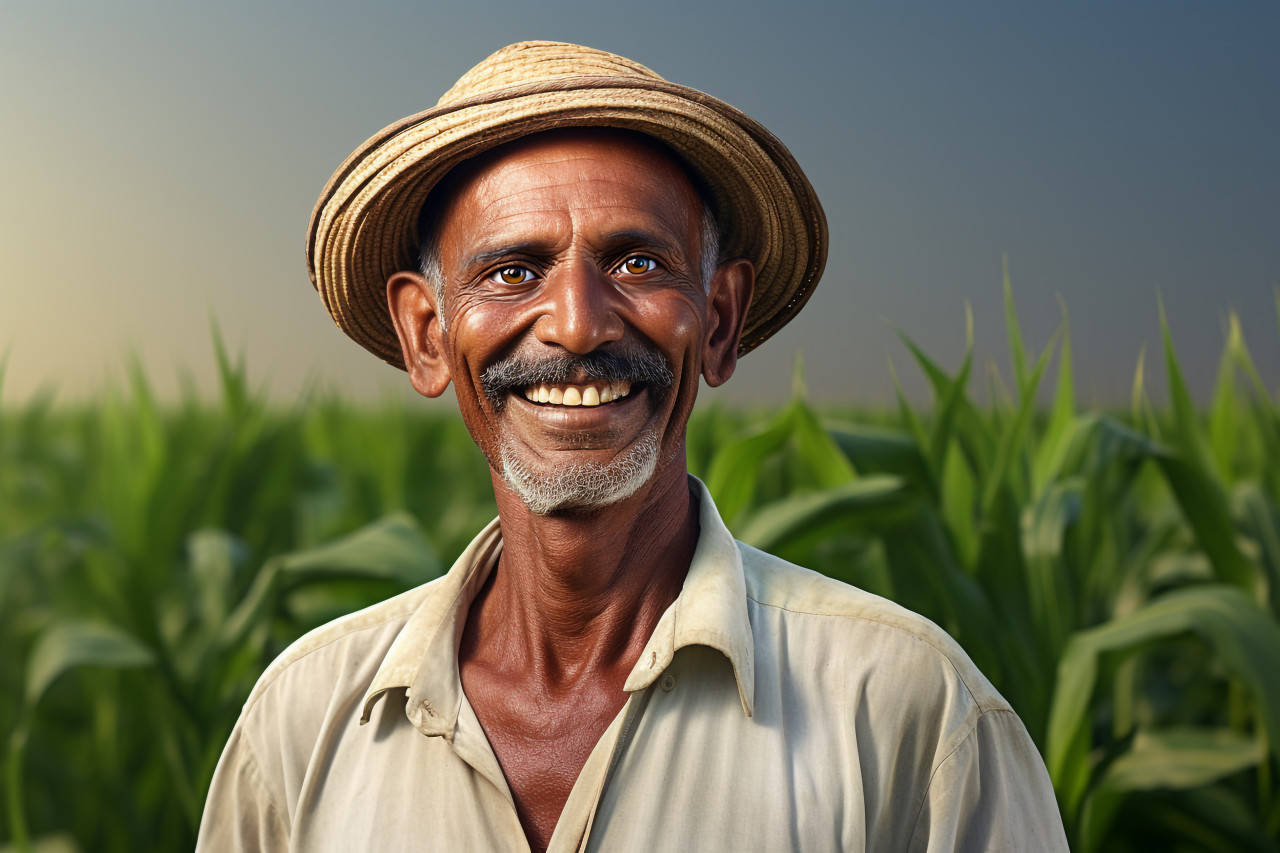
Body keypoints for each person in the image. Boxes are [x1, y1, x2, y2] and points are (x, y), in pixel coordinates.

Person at [197, 41, 1068, 852]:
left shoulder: (908, 713)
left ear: (720, 322)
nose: (577, 325)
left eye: (637, 263)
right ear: (427, 336)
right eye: (512, 271)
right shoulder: (301, 726)